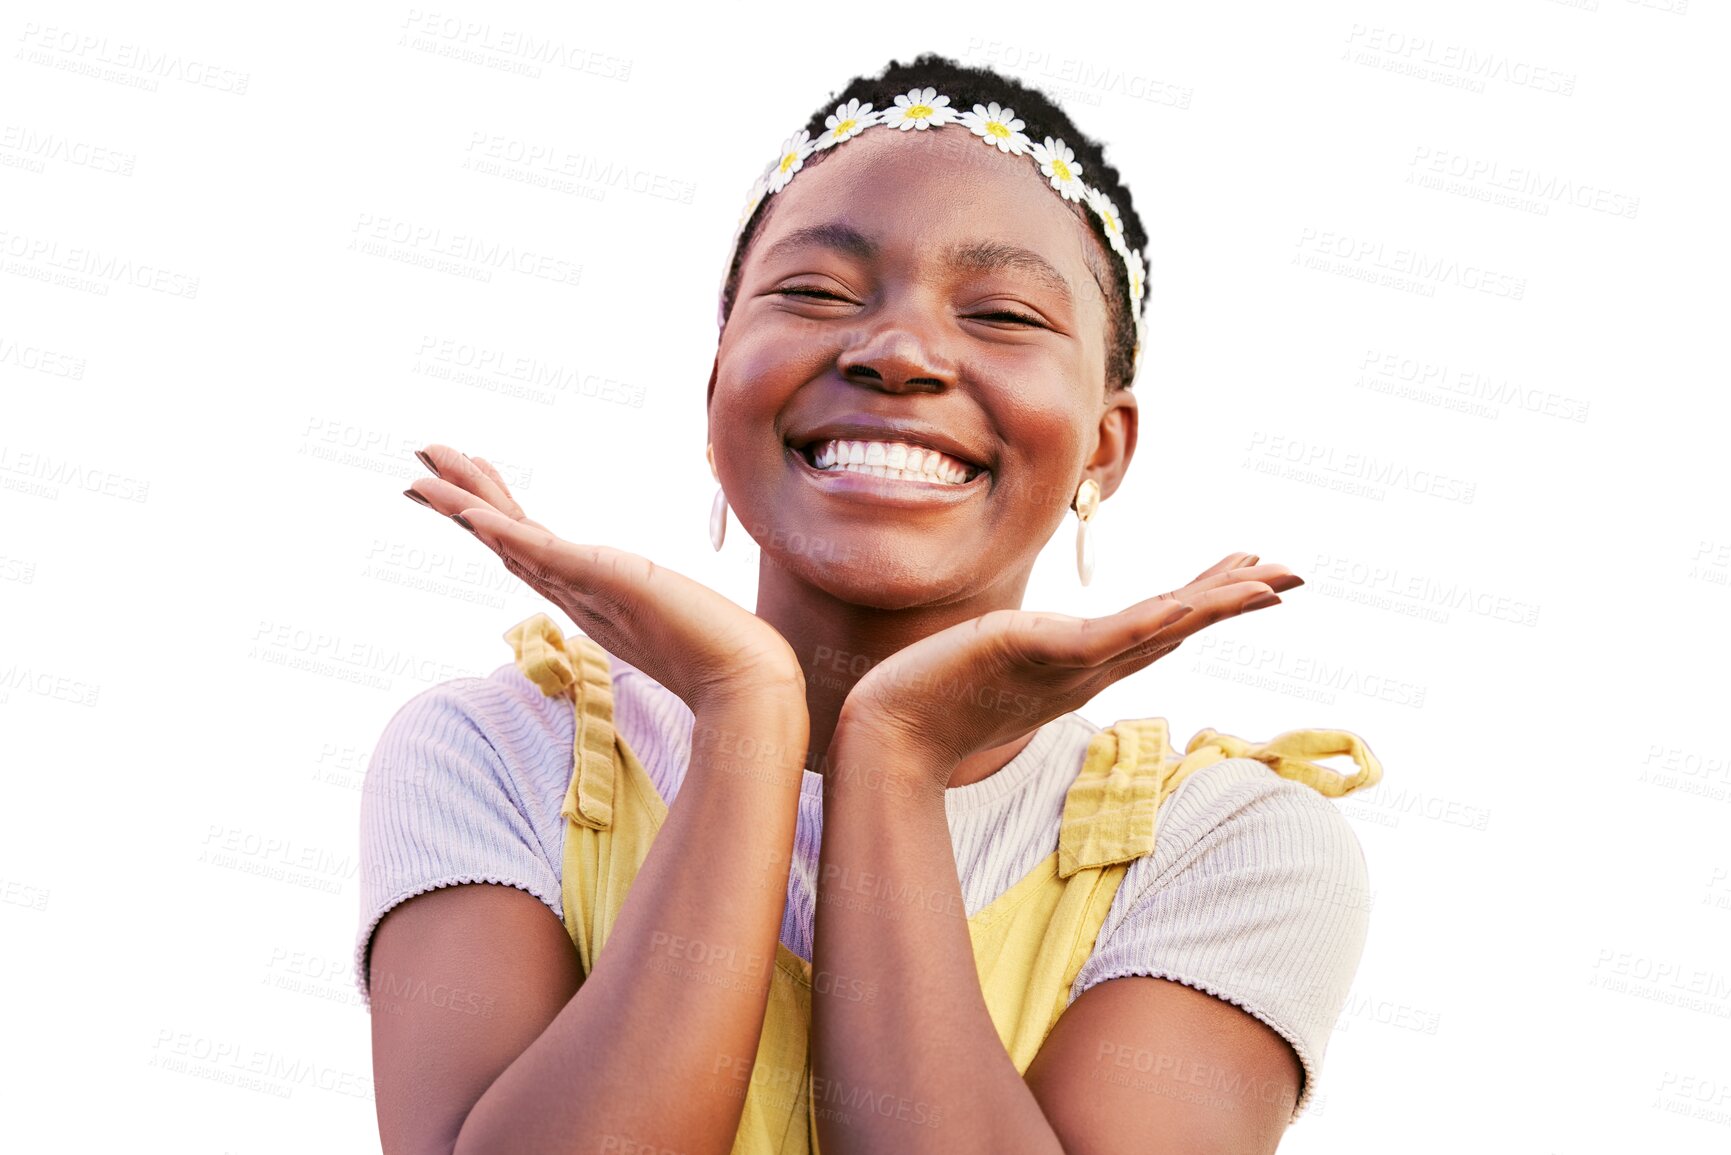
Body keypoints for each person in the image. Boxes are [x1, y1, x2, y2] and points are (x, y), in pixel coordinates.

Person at [358, 53, 1381, 1155]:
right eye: (816, 293)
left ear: (1104, 443)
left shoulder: (1228, 846)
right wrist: (746, 717)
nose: (896, 352)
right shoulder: (502, 754)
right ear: (717, 398)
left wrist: (894, 755)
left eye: (1002, 313)